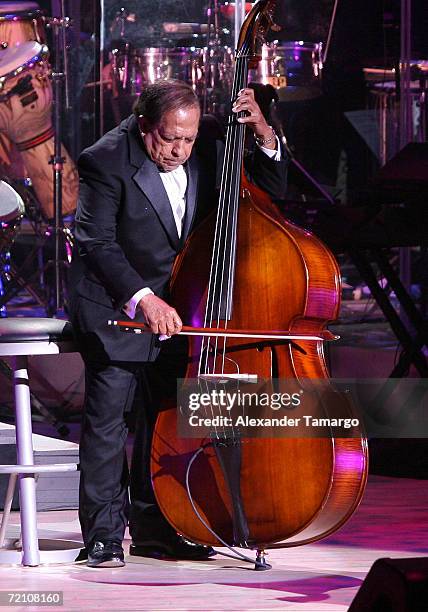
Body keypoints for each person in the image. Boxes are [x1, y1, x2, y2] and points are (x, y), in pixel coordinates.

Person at [67, 79, 287, 568]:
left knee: (161, 425)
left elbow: (274, 188)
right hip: (117, 309)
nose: (179, 151)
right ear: (145, 126)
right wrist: (141, 299)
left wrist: (264, 133)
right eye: (169, 139)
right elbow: (97, 243)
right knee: (109, 425)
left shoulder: (208, 142)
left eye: (187, 140)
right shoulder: (104, 159)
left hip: (181, 313)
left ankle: (156, 530)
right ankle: (102, 537)